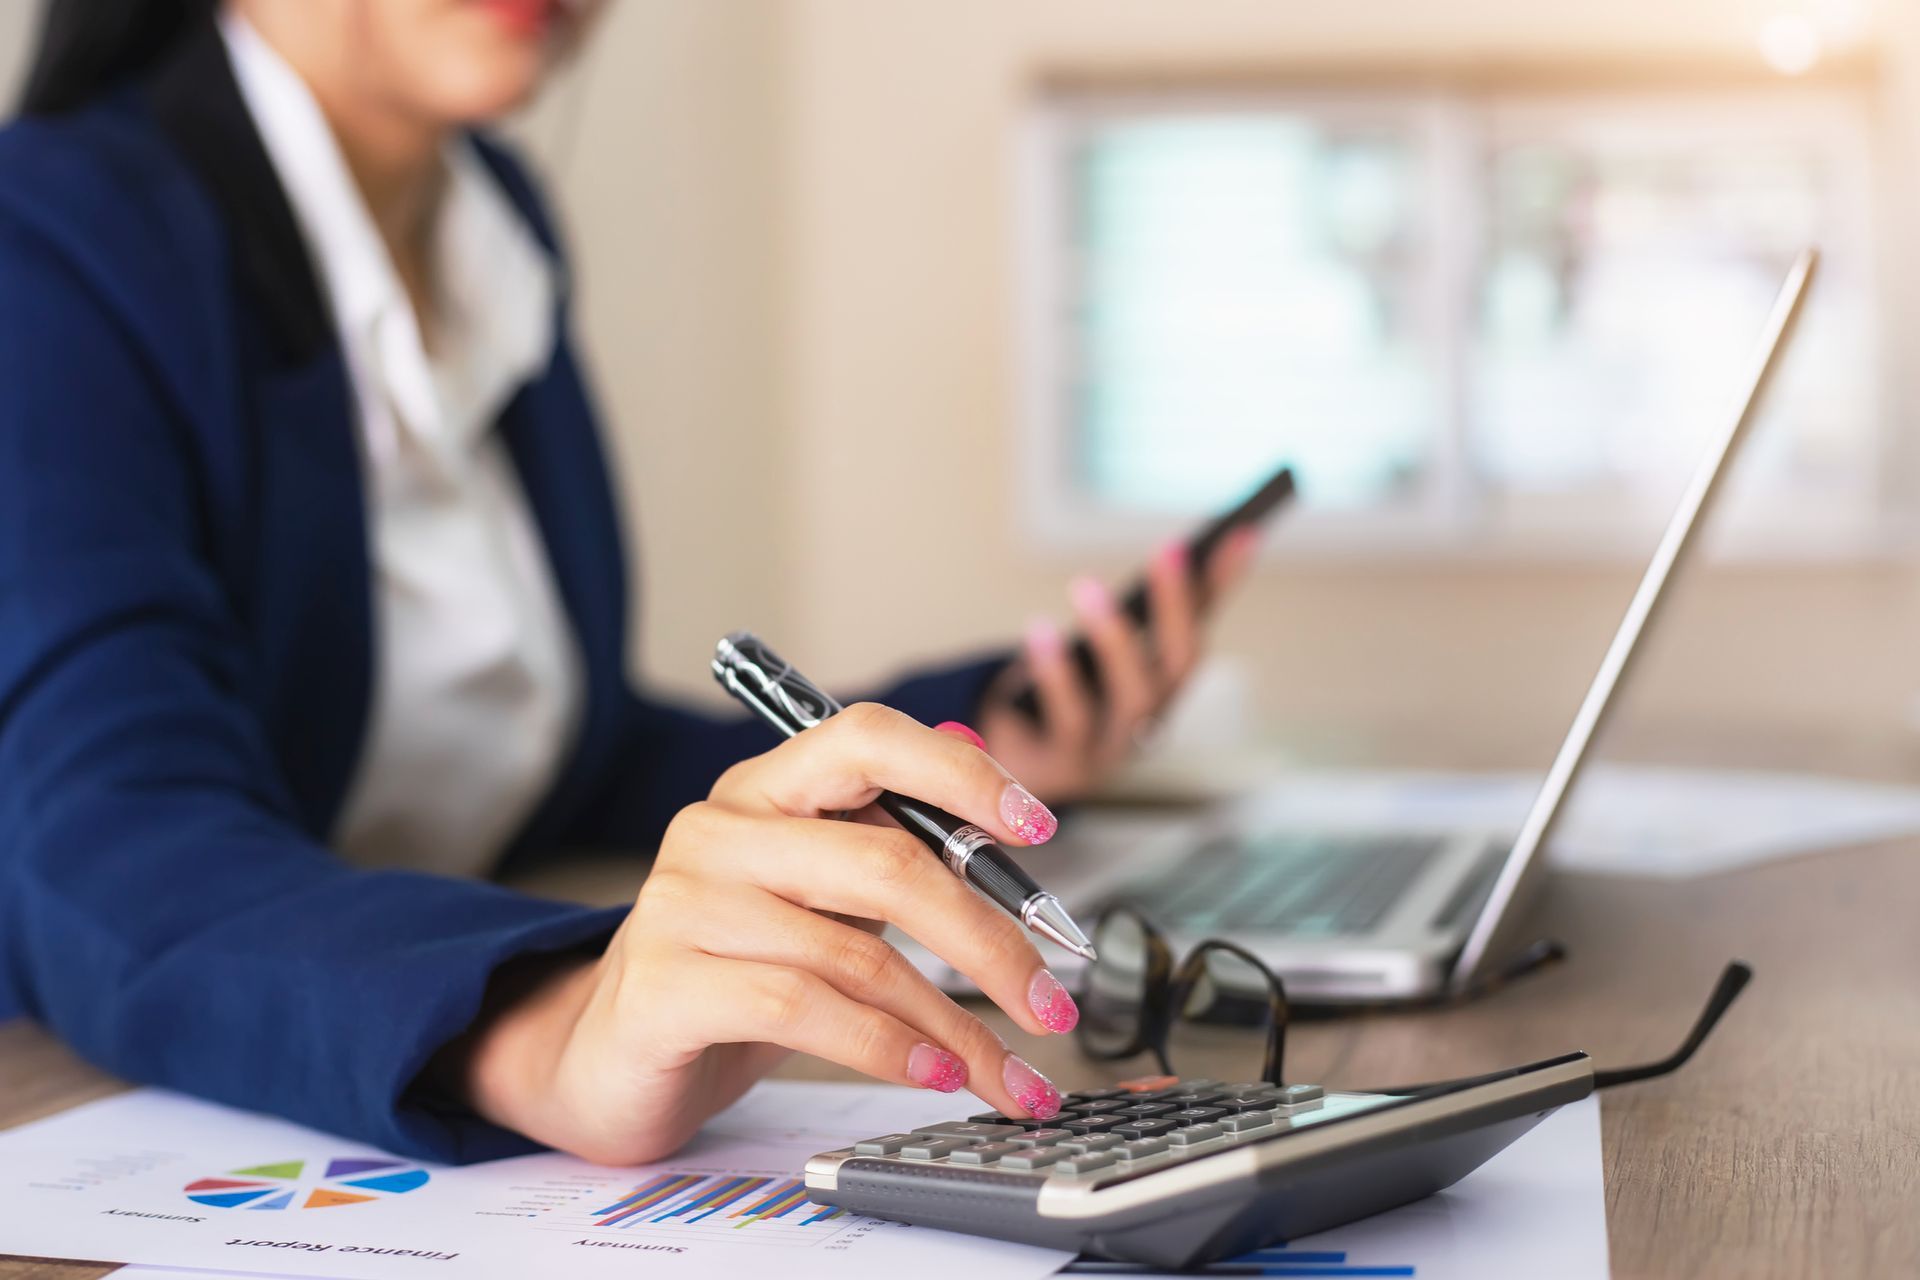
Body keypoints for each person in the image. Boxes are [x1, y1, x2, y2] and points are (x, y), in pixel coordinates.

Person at [0, 0, 1257, 1166]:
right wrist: (542, 1023)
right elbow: (110, 844)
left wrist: (963, 737)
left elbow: (551, 755)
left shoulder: (495, 224)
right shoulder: (45, 243)